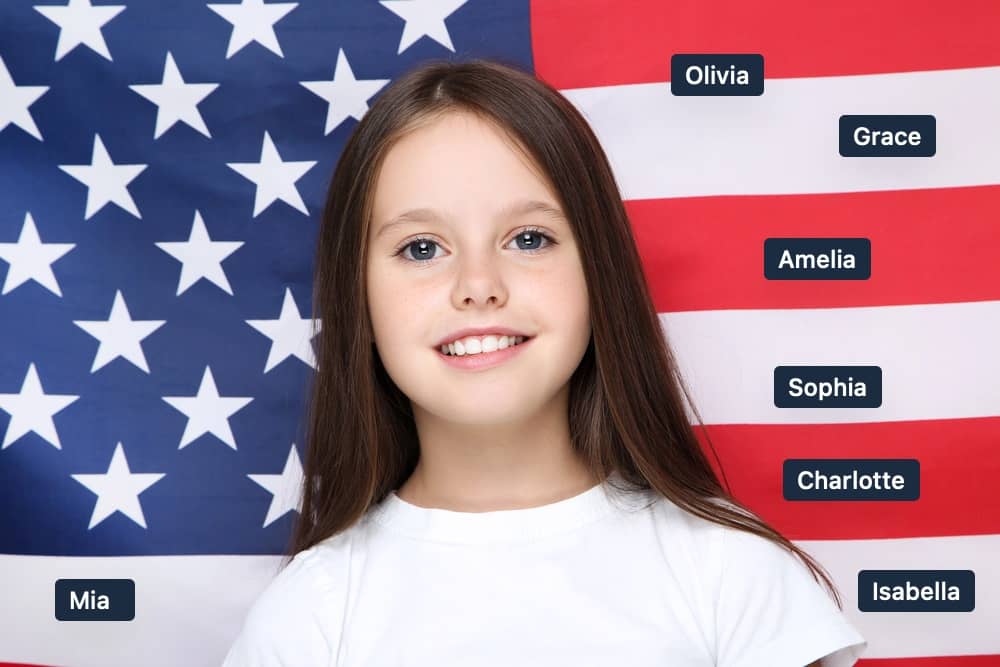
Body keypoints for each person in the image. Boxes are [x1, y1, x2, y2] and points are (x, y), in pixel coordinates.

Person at [221, 57, 867, 666]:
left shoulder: (733, 575)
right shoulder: (309, 616)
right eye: (421, 247)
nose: (478, 284)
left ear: (598, 272)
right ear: (357, 296)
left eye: (529, 238)